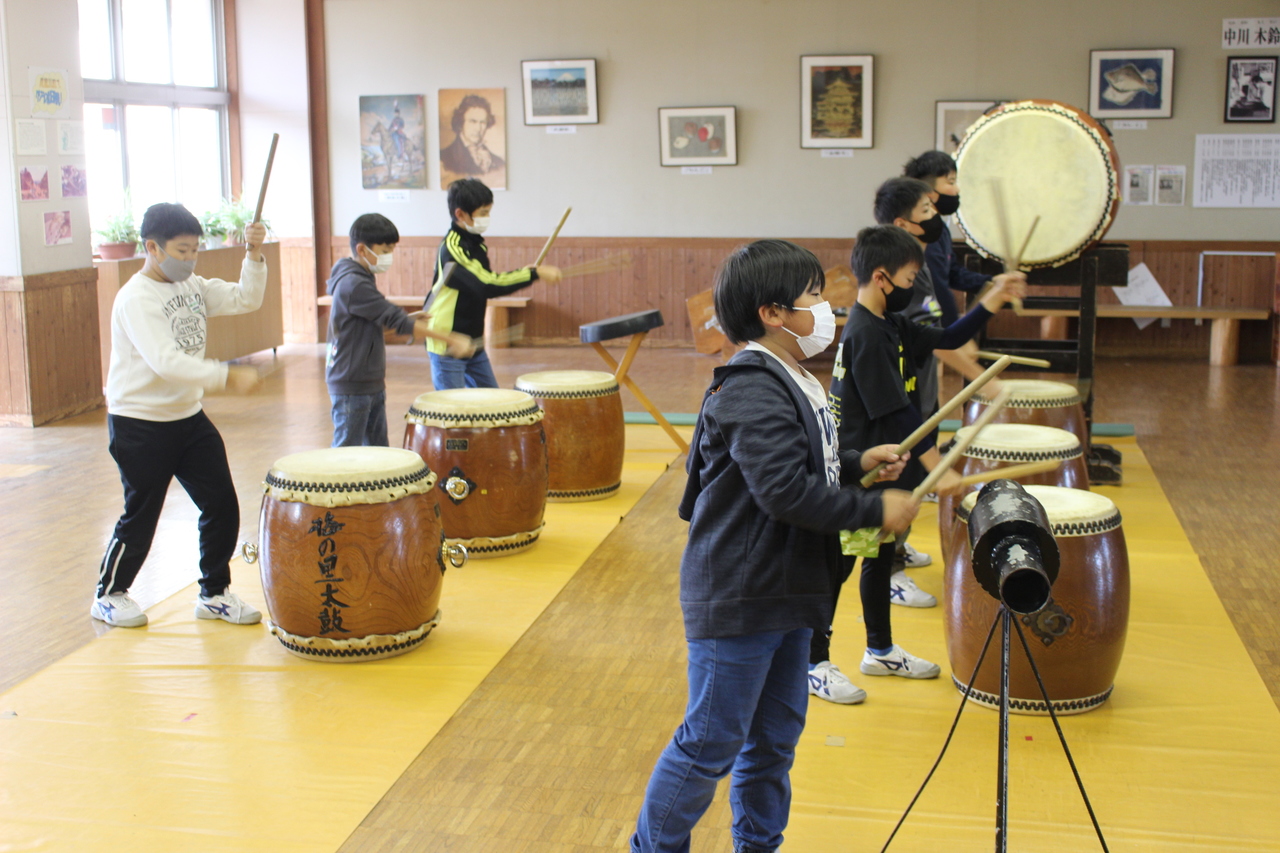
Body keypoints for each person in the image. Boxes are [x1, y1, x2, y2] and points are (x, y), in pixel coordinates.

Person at [630, 239, 918, 853]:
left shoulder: (791, 378)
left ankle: (758, 846)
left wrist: (857, 464)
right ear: (773, 313)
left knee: (774, 741)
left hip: (787, 591)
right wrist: (876, 509)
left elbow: (800, 463)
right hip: (742, 594)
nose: (827, 306)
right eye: (813, 296)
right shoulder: (751, 387)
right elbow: (784, 491)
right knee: (710, 742)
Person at [819, 225, 1025, 700]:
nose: (915, 286)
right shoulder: (866, 335)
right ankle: (814, 661)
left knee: (878, 558)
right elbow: (896, 413)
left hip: (885, 463)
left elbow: (949, 336)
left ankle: (879, 650)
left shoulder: (889, 324)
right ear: (882, 278)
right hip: (859, 471)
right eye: (910, 278)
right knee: (840, 567)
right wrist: (937, 465)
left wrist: (993, 297)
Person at [93, 202, 268, 628]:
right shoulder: (136, 297)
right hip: (140, 422)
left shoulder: (191, 286)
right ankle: (110, 594)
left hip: (187, 417)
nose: (190, 260)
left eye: (195, 251)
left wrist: (254, 254)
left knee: (221, 503)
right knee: (142, 513)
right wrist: (225, 376)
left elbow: (246, 298)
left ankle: (213, 593)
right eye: (182, 251)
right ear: (152, 247)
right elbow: (165, 361)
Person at [326, 213, 473, 446]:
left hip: (368, 379)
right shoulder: (353, 284)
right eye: (385, 250)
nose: (389, 257)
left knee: (378, 453)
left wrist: (408, 318)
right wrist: (452, 338)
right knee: (347, 454)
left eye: (391, 250)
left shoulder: (361, 275)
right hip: (351, 382)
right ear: (362, 250)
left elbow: (373, 324)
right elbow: (397, 320)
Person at [421, 178, 561, 390]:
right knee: (454, 410)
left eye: (488, 212)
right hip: (448, 341)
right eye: (483, 213)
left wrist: (532, 273)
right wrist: (533, 274)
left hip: (472, 340)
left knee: (491, 404)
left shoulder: (475, 243)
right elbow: (486, 284)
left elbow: (484, 283)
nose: (487, 218)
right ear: (460, 214)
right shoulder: (453, 248)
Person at [439, 94, 505, 184]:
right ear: (461, 123)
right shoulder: (444, 159)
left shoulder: (498, 162)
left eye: (482, 122)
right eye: (472, 121)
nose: (478, 128)